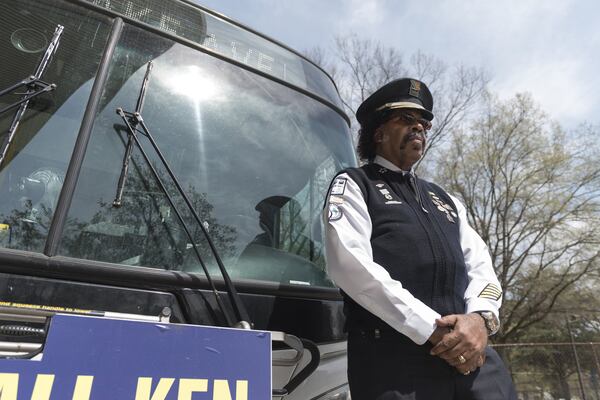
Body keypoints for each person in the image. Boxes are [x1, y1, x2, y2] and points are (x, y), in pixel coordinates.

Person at [324, 78, 517, 399]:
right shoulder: (355, 183)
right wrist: (432, 328)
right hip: (393, 361)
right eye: (406, 120)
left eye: (424, 125)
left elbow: (482, 266)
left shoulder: (447, 199)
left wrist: (481, 320)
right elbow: (349, 264)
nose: (419, 129)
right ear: (378, 133)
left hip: (470, 355)